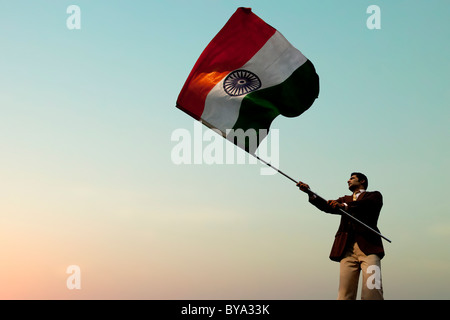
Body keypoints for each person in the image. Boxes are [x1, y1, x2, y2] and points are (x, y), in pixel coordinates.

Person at [297, 172, 385, 300]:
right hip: (347, 250)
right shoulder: (344, 199)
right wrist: (310, 193)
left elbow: (366, 205)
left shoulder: (374, 196)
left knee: (373, 289)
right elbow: (327, 206)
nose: (348, 181)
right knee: (344, 293)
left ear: (362, 181)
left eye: (352, 178)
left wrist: (344, 206)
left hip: (369, 248)